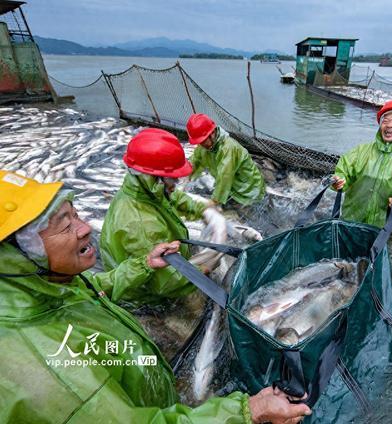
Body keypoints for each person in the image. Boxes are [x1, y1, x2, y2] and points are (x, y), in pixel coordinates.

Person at [0, 170, 312, 423]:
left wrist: (143, 265)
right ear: (16, 256)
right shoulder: (51, 368)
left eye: (76, 214)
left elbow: (96, 287)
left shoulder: (52, 284)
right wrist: (245, 413)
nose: (84, 229)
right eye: (66, 225)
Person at [100, 128, 215, 304]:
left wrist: (201, 208)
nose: (176, 183)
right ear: (153, 179)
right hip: (145, 296)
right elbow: (166, 283)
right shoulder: (142, 226)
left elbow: (171, 196)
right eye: (172, 178)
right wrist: (203, 269)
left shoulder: (139, 189)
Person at [332, 100, 392, 228]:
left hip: (380, 226)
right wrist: (339, 181)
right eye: (385, 121)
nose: (389, 125)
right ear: (380, 124)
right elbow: (343, 171)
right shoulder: (360, 151)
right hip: (350, 218)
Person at [187, 113, 265, 206]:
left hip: (248, 190)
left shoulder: (228, 148)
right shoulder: (205, 146)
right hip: (233, 188)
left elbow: (225, 177)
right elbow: (196, 160)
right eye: (198, 142)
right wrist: (185, 176)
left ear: (212, 134)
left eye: (202, 141)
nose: (201, 145)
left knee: (248, 213)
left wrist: (214, 202)